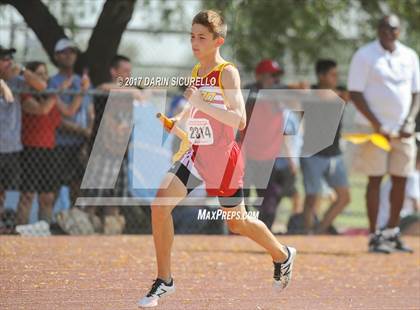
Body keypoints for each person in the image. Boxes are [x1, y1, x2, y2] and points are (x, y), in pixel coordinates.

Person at [137, 10, 296, 308]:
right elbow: (193, 111)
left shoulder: (227, 72)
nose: (195, 42)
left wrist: (198, 102)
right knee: (159, 206)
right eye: (192, 36)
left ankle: (282, 255)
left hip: (224, 160)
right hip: (196, 154)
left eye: (202, 38)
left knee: (238, 224)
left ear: (217, 41)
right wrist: (177, 119)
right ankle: (164, 280)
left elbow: (239, 120)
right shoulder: (197, 71)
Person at [348, 15, 419, 253]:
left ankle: (392, 231)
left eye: (393, 28)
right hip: (373, 129)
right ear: (378, 30)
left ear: (400, 31)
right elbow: (355, 93)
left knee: (401, 178)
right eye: (384, 28)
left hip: (402, 130)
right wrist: (378, 125)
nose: (388, 32)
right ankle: (374, 235)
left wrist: (409, 121)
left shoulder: (409, 56)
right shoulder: (365, 55)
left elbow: (416, 93)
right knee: (375, 178)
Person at [16, 61, 86, 225]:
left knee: (47, 197)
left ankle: (42, 230)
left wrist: (82, 90)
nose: (43, 78)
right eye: (39, 74)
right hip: (30, 149)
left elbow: (69, 111)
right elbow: (42, 110)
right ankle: (19, 231)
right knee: (28, 195)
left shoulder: (50, 95)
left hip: (49, 149)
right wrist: (58, 91)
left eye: (45, 74)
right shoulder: (25, 94)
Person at [301, 59, 351, 234]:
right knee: (312, 198)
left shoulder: (341, 92)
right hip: (312, 154)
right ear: (321, 76)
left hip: (335, 154)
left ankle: (320, 229)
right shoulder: (309, 92)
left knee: (344, 198)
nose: (336, 78)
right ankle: (307, 234)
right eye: (332, 74)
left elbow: (348, 96)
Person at [0, 46, 46, 215]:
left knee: (3, 192)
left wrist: (24, 71)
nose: (9, 63)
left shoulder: (16, 81)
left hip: (11, 147)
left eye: (10, 59)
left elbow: (41, 86)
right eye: (4, 59)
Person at [48, 38, 94, 207]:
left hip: (79, 144)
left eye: (72, 52)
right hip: (59, 143)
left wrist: (88, 134)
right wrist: (83, 131)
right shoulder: (52, 83)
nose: (69, 55)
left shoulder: (82, 81)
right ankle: (45, 227)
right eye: (64, 52)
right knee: (53, 189)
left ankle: (74, 226)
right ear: (56, 56)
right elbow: (61, 116)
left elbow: (90, 112)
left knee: (78, 187)